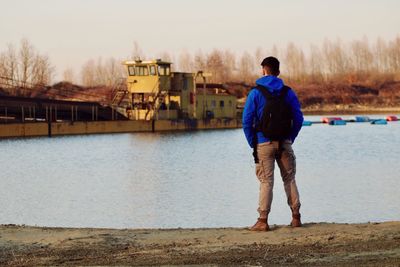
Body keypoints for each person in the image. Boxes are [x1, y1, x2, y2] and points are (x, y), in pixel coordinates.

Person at [242, 56, 304, 231]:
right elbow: (298, 118)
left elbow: (246, 121)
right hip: (284, 143)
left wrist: (254, 143)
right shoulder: (288, 92)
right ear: (278, 72)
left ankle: (263, 221)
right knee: (289, 179)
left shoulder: (255, 93)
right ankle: (296, 218)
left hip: (263, 143)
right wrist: (290, 138)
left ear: (263, 70)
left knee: (266, 182)